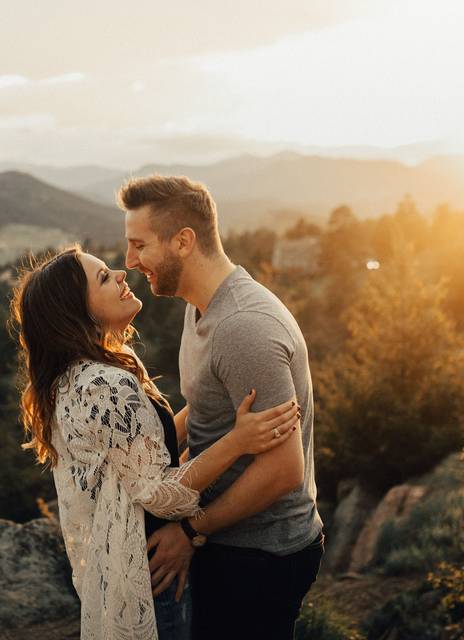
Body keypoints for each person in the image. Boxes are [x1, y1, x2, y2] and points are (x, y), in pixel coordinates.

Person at [9, 246, 301, 640]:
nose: (120, 273)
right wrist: (237, 441)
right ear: (78, 311)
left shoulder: (79, 376)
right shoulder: (103, 385)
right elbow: (158, 492)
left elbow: (138, 449)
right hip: (155, 575)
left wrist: (207, 402)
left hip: (140, 567)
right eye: (103, 278)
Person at [120, 175, 325, 639]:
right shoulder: (200, 306)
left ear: (184, 241)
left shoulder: (242, 327)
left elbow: (283, 470)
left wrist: (191, 533)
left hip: (261, 555)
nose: (130, 262)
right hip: (227, 539)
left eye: (139, 245)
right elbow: (205, 408)